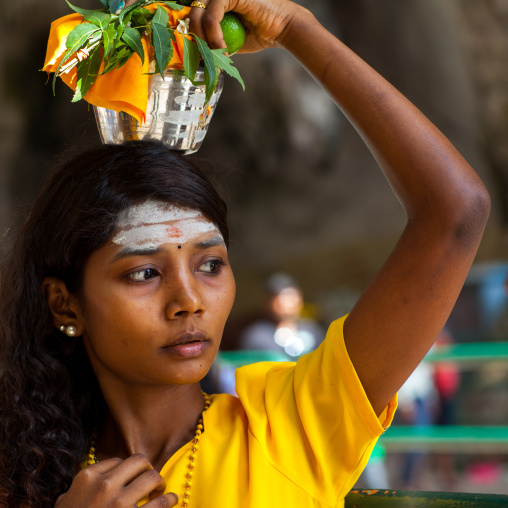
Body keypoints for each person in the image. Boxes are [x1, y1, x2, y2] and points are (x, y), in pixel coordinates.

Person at [0, 0, 490, 506]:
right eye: (145, 273)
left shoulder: (292, 424)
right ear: (65, 304)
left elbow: (455, 213)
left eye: (210, 265)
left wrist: (297, 29)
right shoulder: (23, 471)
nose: (188, 301)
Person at [238, 272, 326, 358]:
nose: (286, 304)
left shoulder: (312, 329)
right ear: (267, 303)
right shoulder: (256, 336)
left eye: (291, 298)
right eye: (279, 300)